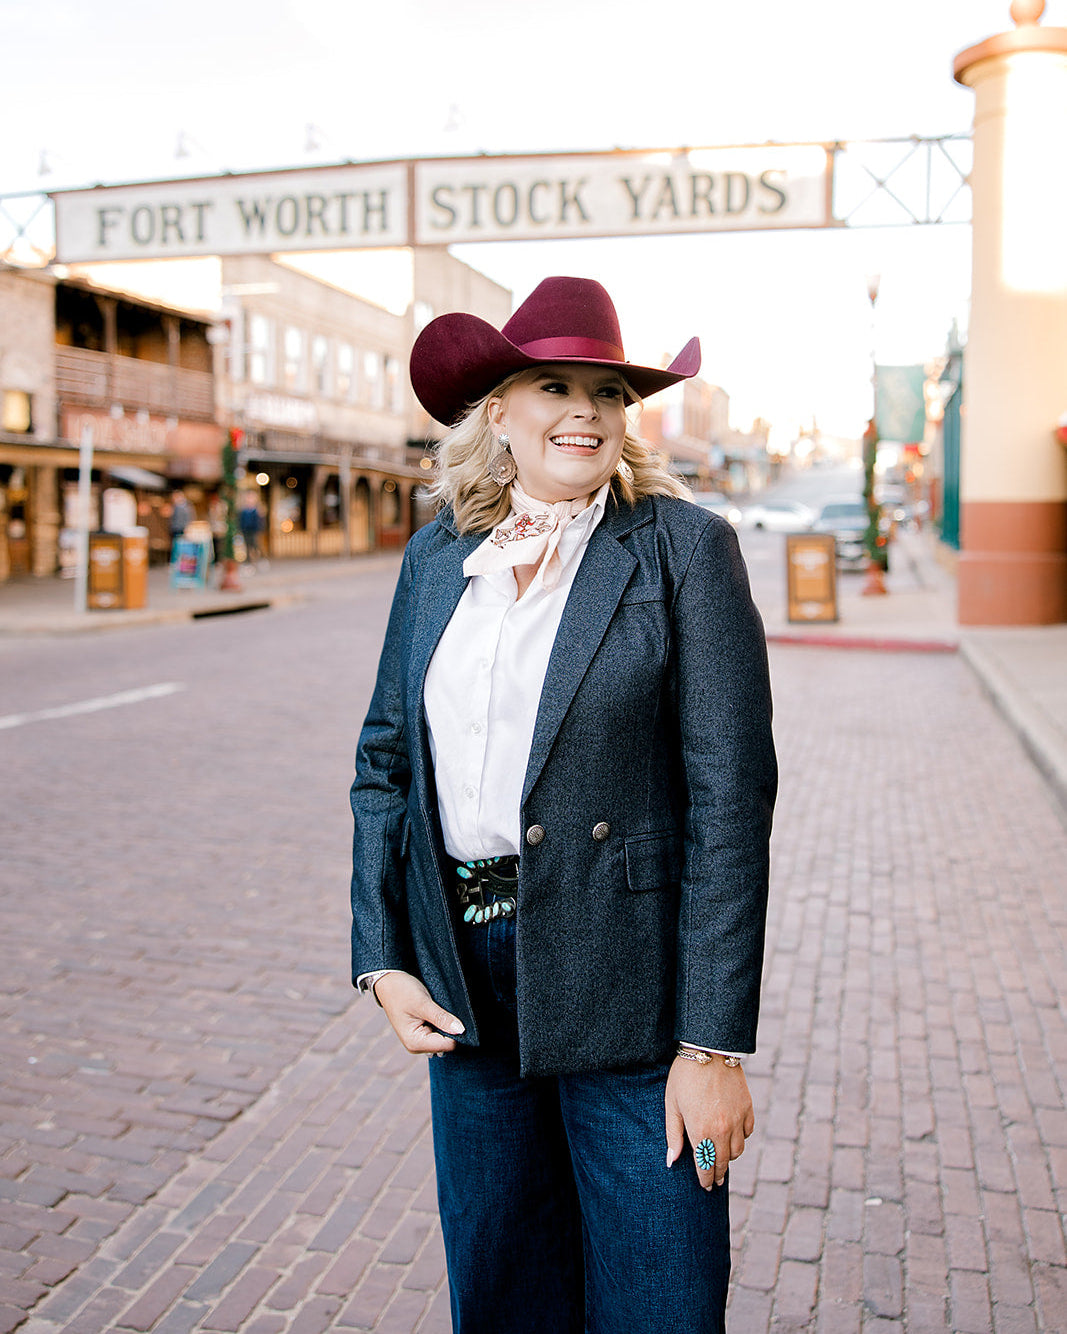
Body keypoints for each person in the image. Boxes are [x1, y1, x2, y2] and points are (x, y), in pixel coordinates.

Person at [349, 277, 776, 1333]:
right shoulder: (439, 554)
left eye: (606, 390)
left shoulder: (680, 547)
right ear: (499, 406)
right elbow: (384, 760)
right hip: (467, 985)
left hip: (628, 983)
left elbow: (731, 798)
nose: (582, 410)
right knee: (504, 1290)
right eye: (552, 384)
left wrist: (711, 1044)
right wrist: (384, 953)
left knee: (657, 1293)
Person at [168, 489, 192, 562]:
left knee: (181, 547)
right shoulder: (176, 506)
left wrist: (187, 528)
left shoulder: (185, 507)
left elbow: (188, 518)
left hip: (181, 529)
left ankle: (179, 561)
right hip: (175, 529)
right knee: (176, 546)